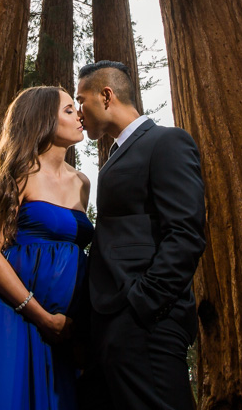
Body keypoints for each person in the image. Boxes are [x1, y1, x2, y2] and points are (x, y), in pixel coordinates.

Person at [0, 86, 93, 410]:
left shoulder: (83, 182)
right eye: (68, 110)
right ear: (42, 120)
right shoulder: (20, 173)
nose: (79, 115)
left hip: (64, 329)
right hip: (12, 315)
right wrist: (40, 316)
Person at [75, 60, 205, 410]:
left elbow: (185, 234)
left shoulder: (167, 142)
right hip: (109, 330)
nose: (77, 112)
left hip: (145, 325)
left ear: (106, 96)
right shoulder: (113, 159)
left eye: (81, 100)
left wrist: (142, 303)